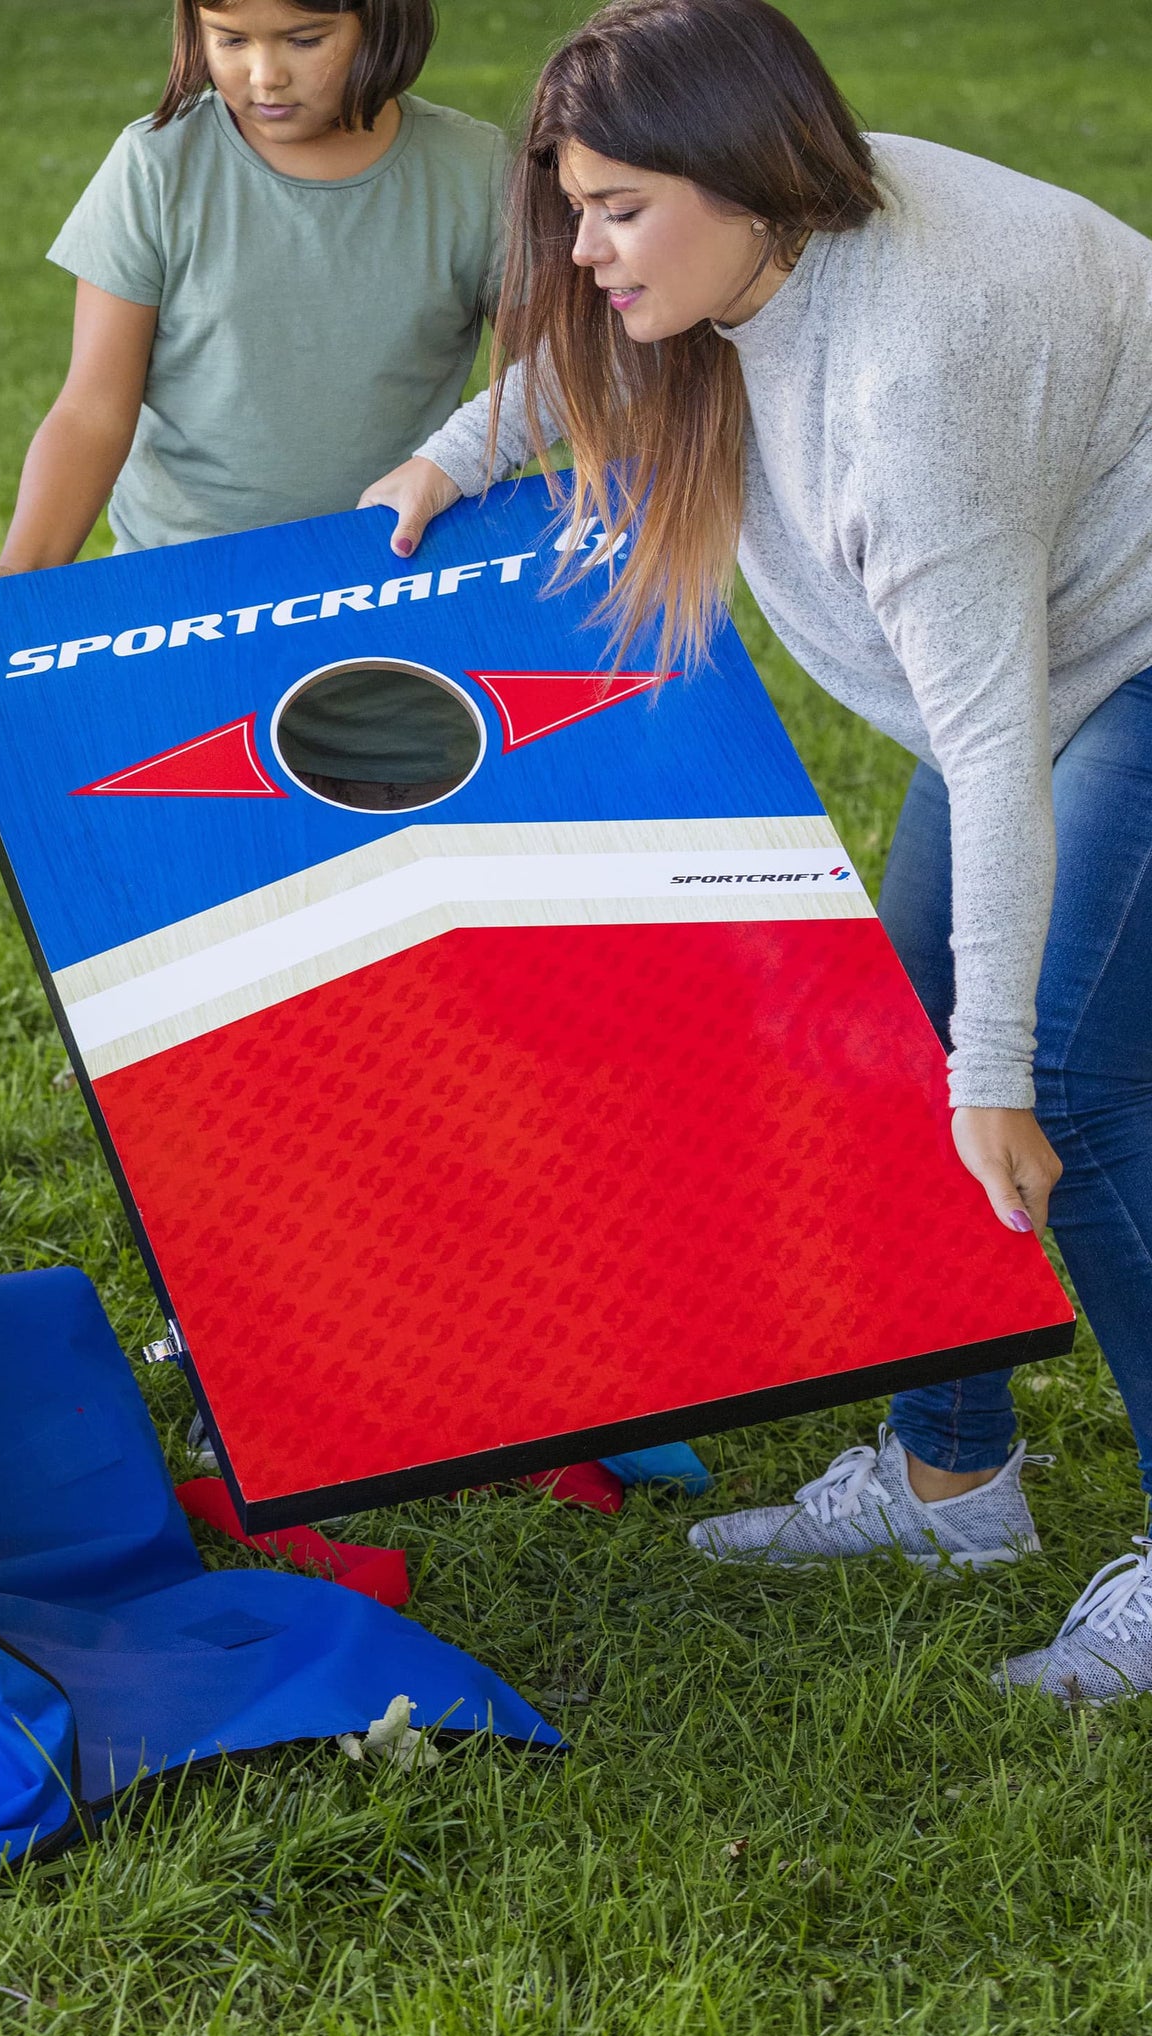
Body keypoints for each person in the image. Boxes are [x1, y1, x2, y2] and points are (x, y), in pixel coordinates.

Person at [364, 0, 1152, 1699]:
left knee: (1063, 1087)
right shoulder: (740, 260)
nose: (581, 251)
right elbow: (603, 340)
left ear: (735, 179)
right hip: (1030, 670)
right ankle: (953, 1481)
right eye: (569, 206)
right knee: (912, 1035)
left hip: (1125, 659)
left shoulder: (911, 379)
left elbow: (1000, 749)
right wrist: (439, 461)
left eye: (614, 207)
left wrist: (997, 1069)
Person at [0, 0, 511, 802]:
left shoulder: (475, 171)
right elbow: (91, 409)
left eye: (304, 40)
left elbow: (557, 376)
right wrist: (22, 582)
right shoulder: (155, 166)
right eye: (230, 40)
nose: (263, 74)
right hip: (180, 617)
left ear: (385, 22)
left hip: (393, 616)